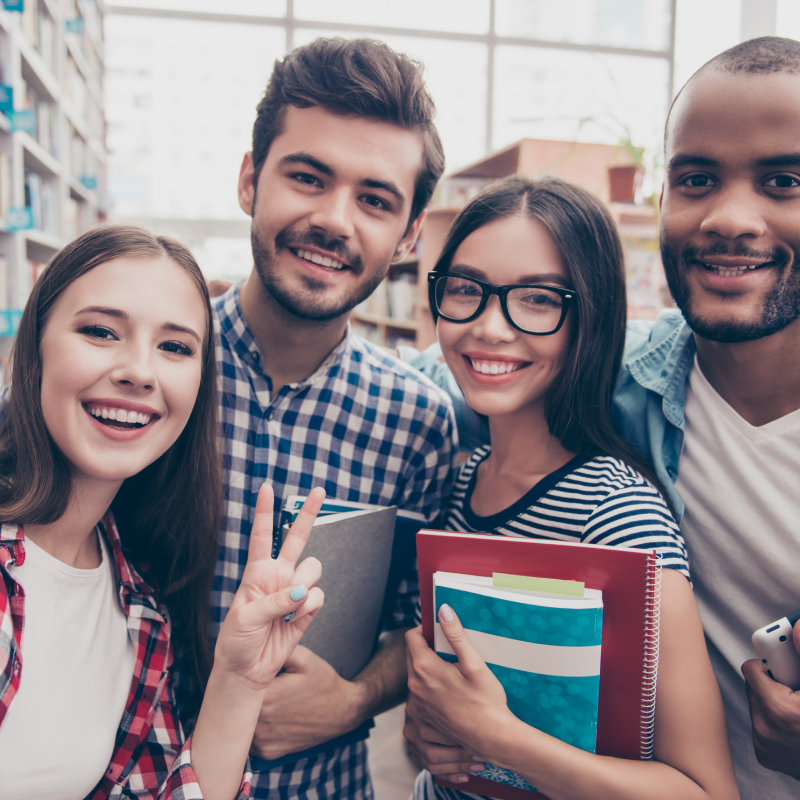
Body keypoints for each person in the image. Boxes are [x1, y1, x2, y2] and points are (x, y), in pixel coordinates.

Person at [403, 35, 800, 800]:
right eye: (696, 178)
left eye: (783, 179)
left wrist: (496, 738)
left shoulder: (617, 504)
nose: (730, 218)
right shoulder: (613, 385)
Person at [401, 175, 738, 799]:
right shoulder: (458, 479)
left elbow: (706, 791)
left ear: (592, 316)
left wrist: (502, 741)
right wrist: (428, 736)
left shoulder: (618, 513)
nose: (490, 328)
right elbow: (443, 726)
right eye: (467, 290)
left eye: (536, 299)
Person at [200, 37, 457, 800]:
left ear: (410, 235)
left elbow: (420, 630)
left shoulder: (419, 419)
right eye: (308, 177)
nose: (334, 220)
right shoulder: (154, 376)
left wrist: (352, 699)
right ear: (251, 180)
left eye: (375, 200)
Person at [0, 225, 325, 800]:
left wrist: (239, 679)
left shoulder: (137, 601)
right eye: (100, 331)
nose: (140, 372)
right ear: (36, 344)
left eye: (175, 347)